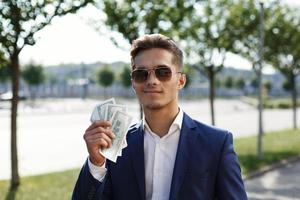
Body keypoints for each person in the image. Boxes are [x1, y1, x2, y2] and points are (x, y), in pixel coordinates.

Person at [72, 34, 248, 200]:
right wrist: (96, 163)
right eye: (141, 74)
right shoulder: (116, 143)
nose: (152, 80)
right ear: (133, 83)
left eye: (163, 72)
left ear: (180, 81)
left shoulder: (217, 143)